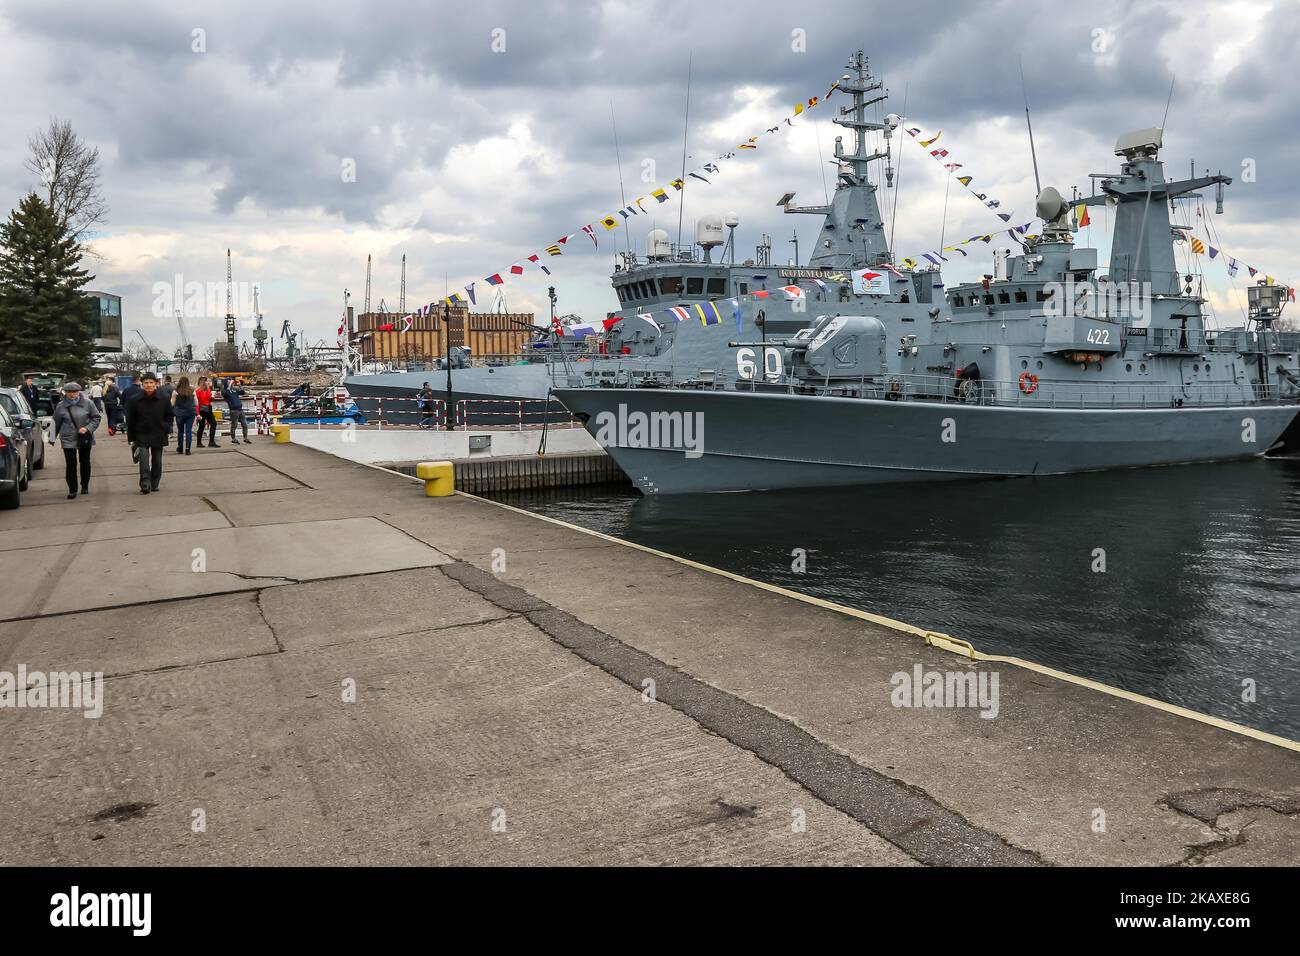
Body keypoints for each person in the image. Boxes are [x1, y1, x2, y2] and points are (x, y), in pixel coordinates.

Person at [50, 381, 101, 500]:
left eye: (75, 392)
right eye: (69, 392)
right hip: (68, 438)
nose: (72, 394)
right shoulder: (61, 406)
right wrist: (52, 438)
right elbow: (55, 421)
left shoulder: (88, 403)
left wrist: (87, 428)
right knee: (71, 464)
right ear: (65, 393)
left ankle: (85, 485)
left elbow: (96, 418)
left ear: (79, 392)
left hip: (84, 437)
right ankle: (72, 489)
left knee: (85, 461)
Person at [125, 371, 172, 494]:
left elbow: (169, 416)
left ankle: (155, 482)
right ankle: (145, 483)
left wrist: (167, 428)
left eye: (151, 382)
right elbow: (130, 419)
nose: (149, 385)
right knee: (144, 460)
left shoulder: (164, 399)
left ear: (156, 383)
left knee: (157, 461)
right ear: (142, 384)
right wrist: (131, 437)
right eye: (146, 383)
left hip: (159, 433)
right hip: (141, 434)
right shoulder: (134, 400)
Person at [172, 376, 197, 455]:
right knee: (188, 431)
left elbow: (172, 403)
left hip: (179, 413)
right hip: (190, 413)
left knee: (180, 431)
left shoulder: (176, 391)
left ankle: (180, 447)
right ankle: (188, 449)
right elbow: (196, 402)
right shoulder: (192, 391)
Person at [221, 378, 251, 444]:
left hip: (240, 409)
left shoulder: (234, 390)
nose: (230, 383)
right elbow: (226, 393)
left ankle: (245, 438)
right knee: (234, 425)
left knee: (245, 424)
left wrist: (240, 385)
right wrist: (230, 384)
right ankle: (233, 439)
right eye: (228, 382)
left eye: (230, 382)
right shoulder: (224, 391)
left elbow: (242, 392)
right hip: (234, 410)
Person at [195, 376, 219, 447]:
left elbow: (208, 399)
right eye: (206, 381)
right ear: (203, 382)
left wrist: (212, 398)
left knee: (213, 424)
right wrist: (197, 414)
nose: (208, 382)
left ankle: (211, 442)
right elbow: (196, 403)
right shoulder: (197, 391)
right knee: (201, 426)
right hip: (201, 410)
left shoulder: (208, 390)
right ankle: (199, 443)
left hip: (208, 408)